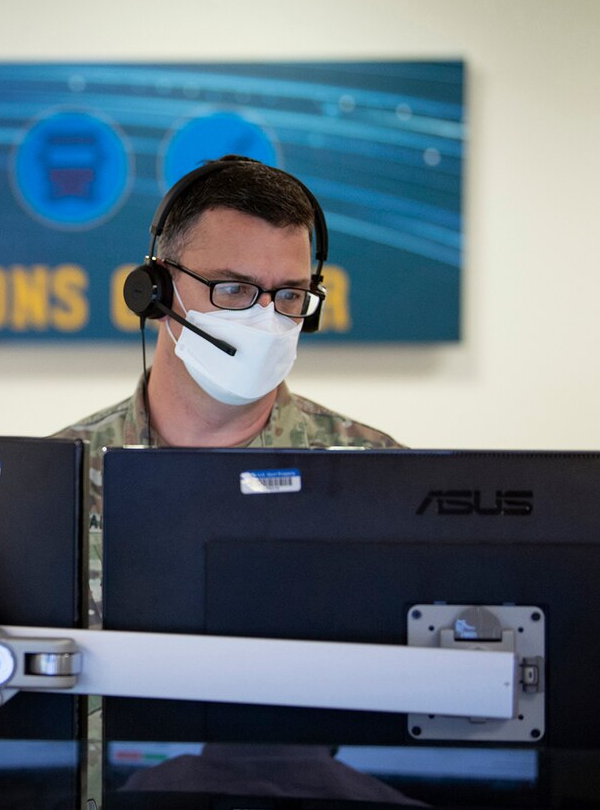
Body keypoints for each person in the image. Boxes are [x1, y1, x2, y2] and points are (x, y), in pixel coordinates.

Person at [55, 155, 401, 806]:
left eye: (290, 295)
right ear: (155, 292)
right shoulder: (55, 479)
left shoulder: (378, 477)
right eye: (234, 289)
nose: (266, 318)